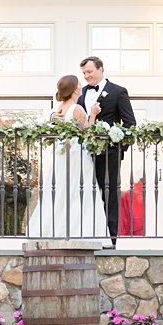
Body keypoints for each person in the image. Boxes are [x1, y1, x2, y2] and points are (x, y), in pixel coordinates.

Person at [24, 75, 109, 240]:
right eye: (79, 84)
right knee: (80, 190)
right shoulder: (77, 108)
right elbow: (88, 131)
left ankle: (57, 229)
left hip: (62, 154)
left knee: (61, 190)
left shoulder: (59, 109)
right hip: (77, 154)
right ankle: (81, 231)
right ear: (75, 89)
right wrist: (93, 114)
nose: (81, 86)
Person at [78, 56, 137, 246]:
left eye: (89, 72)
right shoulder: (82, 94)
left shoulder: (118, 92)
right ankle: (89, 234)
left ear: (101, 69)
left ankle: (111, 240)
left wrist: (118, 147)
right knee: (87, 192)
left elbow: (130, 124)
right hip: (86, 154)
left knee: (109, 194)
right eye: (84, 73)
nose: (86, 76)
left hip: (110, 153)